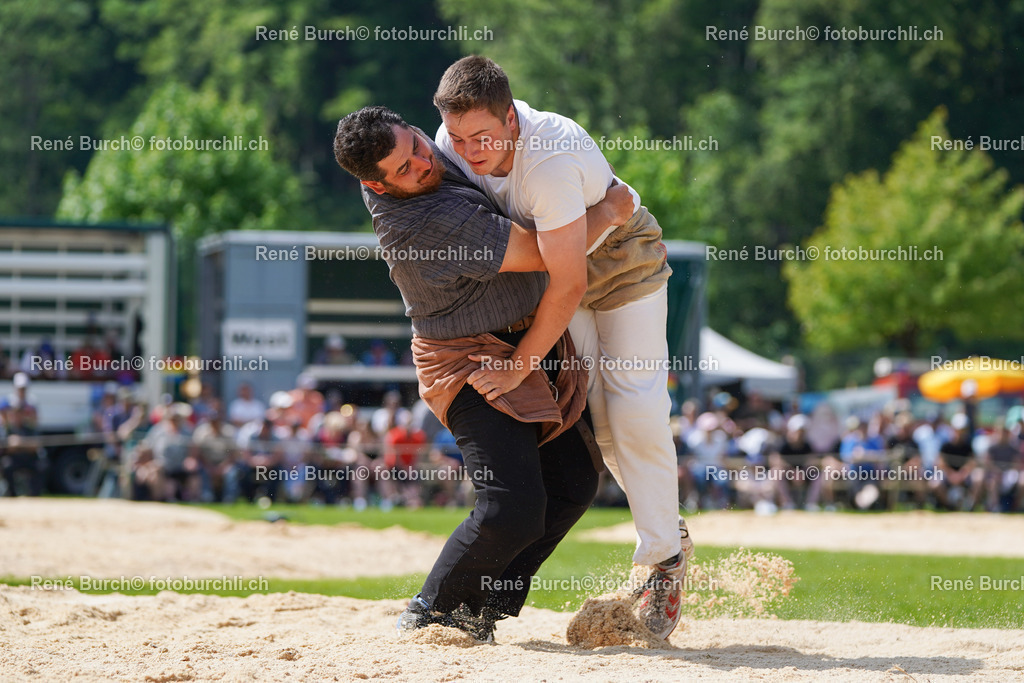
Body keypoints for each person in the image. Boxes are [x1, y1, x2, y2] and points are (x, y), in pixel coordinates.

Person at [334, 104, 632, 641]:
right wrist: (609, 211)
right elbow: (543, 253)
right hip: (465, 359)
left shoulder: (421, 154)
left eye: (419, 146)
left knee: (573, 484)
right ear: (376, 188)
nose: (425, 163)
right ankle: (431, 610)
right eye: (403, 170)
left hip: (522, 341)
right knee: (511, 505)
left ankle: (480, 611)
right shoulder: (428, 222)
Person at [432, 56, 692, 638]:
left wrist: (521, 362)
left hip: (619, 265)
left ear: (512, 119)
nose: (470, 151)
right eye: (457, 137)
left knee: (635, 407)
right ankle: (668, 529)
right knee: (596, 423)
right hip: (551, 278)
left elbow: (572, 277)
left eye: (483, 137)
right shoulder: (448, 146)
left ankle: (663, 559)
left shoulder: (548, 156)